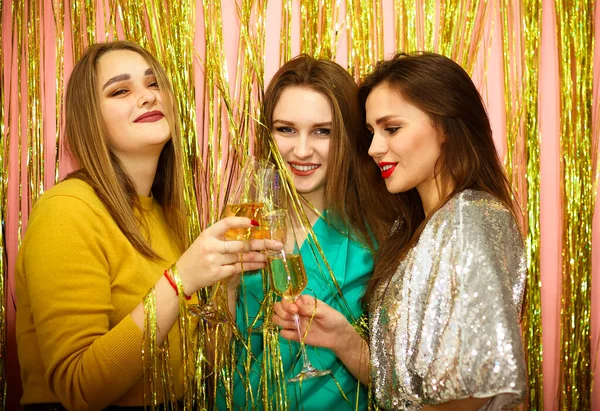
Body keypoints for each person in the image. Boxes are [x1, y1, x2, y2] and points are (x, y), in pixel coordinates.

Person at [15, 40, 272, 410]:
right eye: (121, 90)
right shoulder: (66, 210)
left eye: (154, 84)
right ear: (91, 121)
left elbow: (199, 370)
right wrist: (179, 280)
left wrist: (227, 287)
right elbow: (79, 390)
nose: (148, 96)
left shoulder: (167, 217)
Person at [273, 52, 527, 411]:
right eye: (371, 132)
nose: (374, 148)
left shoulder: (470, 219)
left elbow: (479, 389)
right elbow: (404, 391)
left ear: (445, 126)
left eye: (391, 128)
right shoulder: (413, 228)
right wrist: (344, 340)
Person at [219, 55, 398, 410]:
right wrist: (223, 285)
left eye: (322, 131)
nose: (301, 150)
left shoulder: (380, 234)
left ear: (348, 136)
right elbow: (211, 362)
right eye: (286, 129)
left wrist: (346, 340)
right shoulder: (243, 224)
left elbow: (401, 385)